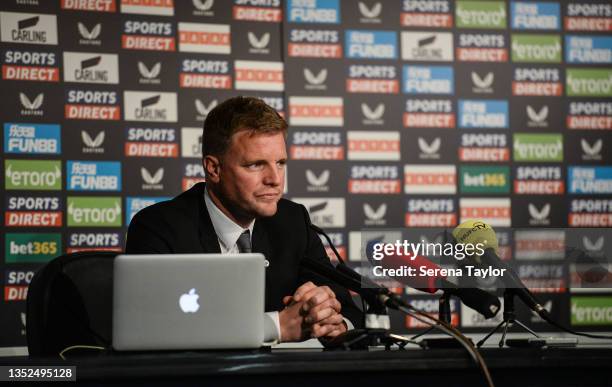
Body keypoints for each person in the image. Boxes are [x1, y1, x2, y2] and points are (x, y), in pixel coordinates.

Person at [126, 96, 362, 343]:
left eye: (280, 163)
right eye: (255, 165)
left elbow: (350, 312)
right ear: (214, 169)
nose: (275, 179)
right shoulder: (158, 227)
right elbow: (153, 330)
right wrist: (276, 326)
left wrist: (333, 322)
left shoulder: (292, 221)